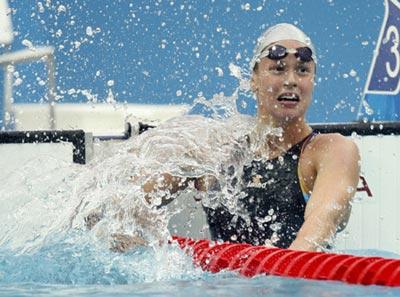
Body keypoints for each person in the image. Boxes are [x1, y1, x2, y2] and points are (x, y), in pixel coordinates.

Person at [99, 23, 360, 252]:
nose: (291, 80)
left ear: (313, 80)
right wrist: (136, 241)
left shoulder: (332, 151)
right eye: (278, 69)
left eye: (303, 70)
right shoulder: (217, 153)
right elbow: (124, 210)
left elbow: (315, 235)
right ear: (253, 81)